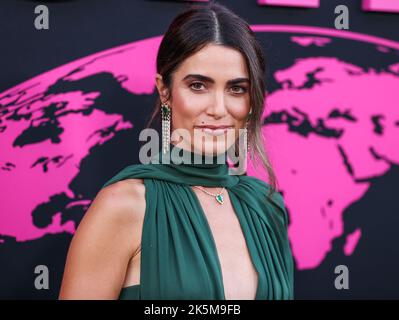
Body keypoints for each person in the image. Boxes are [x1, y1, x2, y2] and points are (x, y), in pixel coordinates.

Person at [59, 1, 294, 300]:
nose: (218, 109)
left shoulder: (266, 206)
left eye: (237, 89)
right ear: (165, 91)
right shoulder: (124, 206)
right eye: (198, 86)